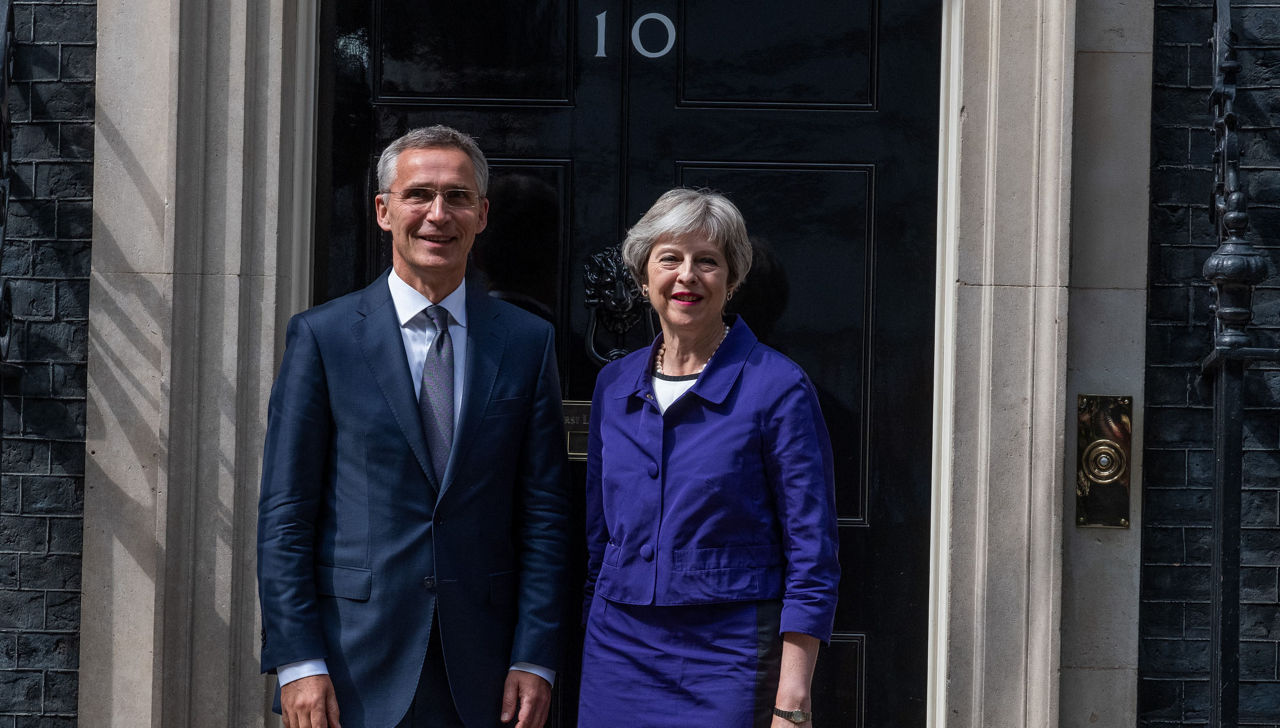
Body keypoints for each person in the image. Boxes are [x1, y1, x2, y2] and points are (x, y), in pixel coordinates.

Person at [258, 125, 571, 728]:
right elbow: (286, 513)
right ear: (383, 210)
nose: (437, 215)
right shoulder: (322, 339)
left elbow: (545, 517)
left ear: (482, 215)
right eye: (418, 195)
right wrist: (297, 659)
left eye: (456, 197)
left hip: (487, 667)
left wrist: (537, 655)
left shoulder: (527, 342)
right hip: (351, 664)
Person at [579, 189, 840, 728]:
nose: (687, 275)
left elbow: (811, 552)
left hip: (730, 656)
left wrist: (792, 701)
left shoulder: (778, 387)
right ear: (643, 273)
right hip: (617, 651)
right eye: (670, 258)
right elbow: (598, 535)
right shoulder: (613, 384)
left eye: (708, 261)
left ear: (733, 277)